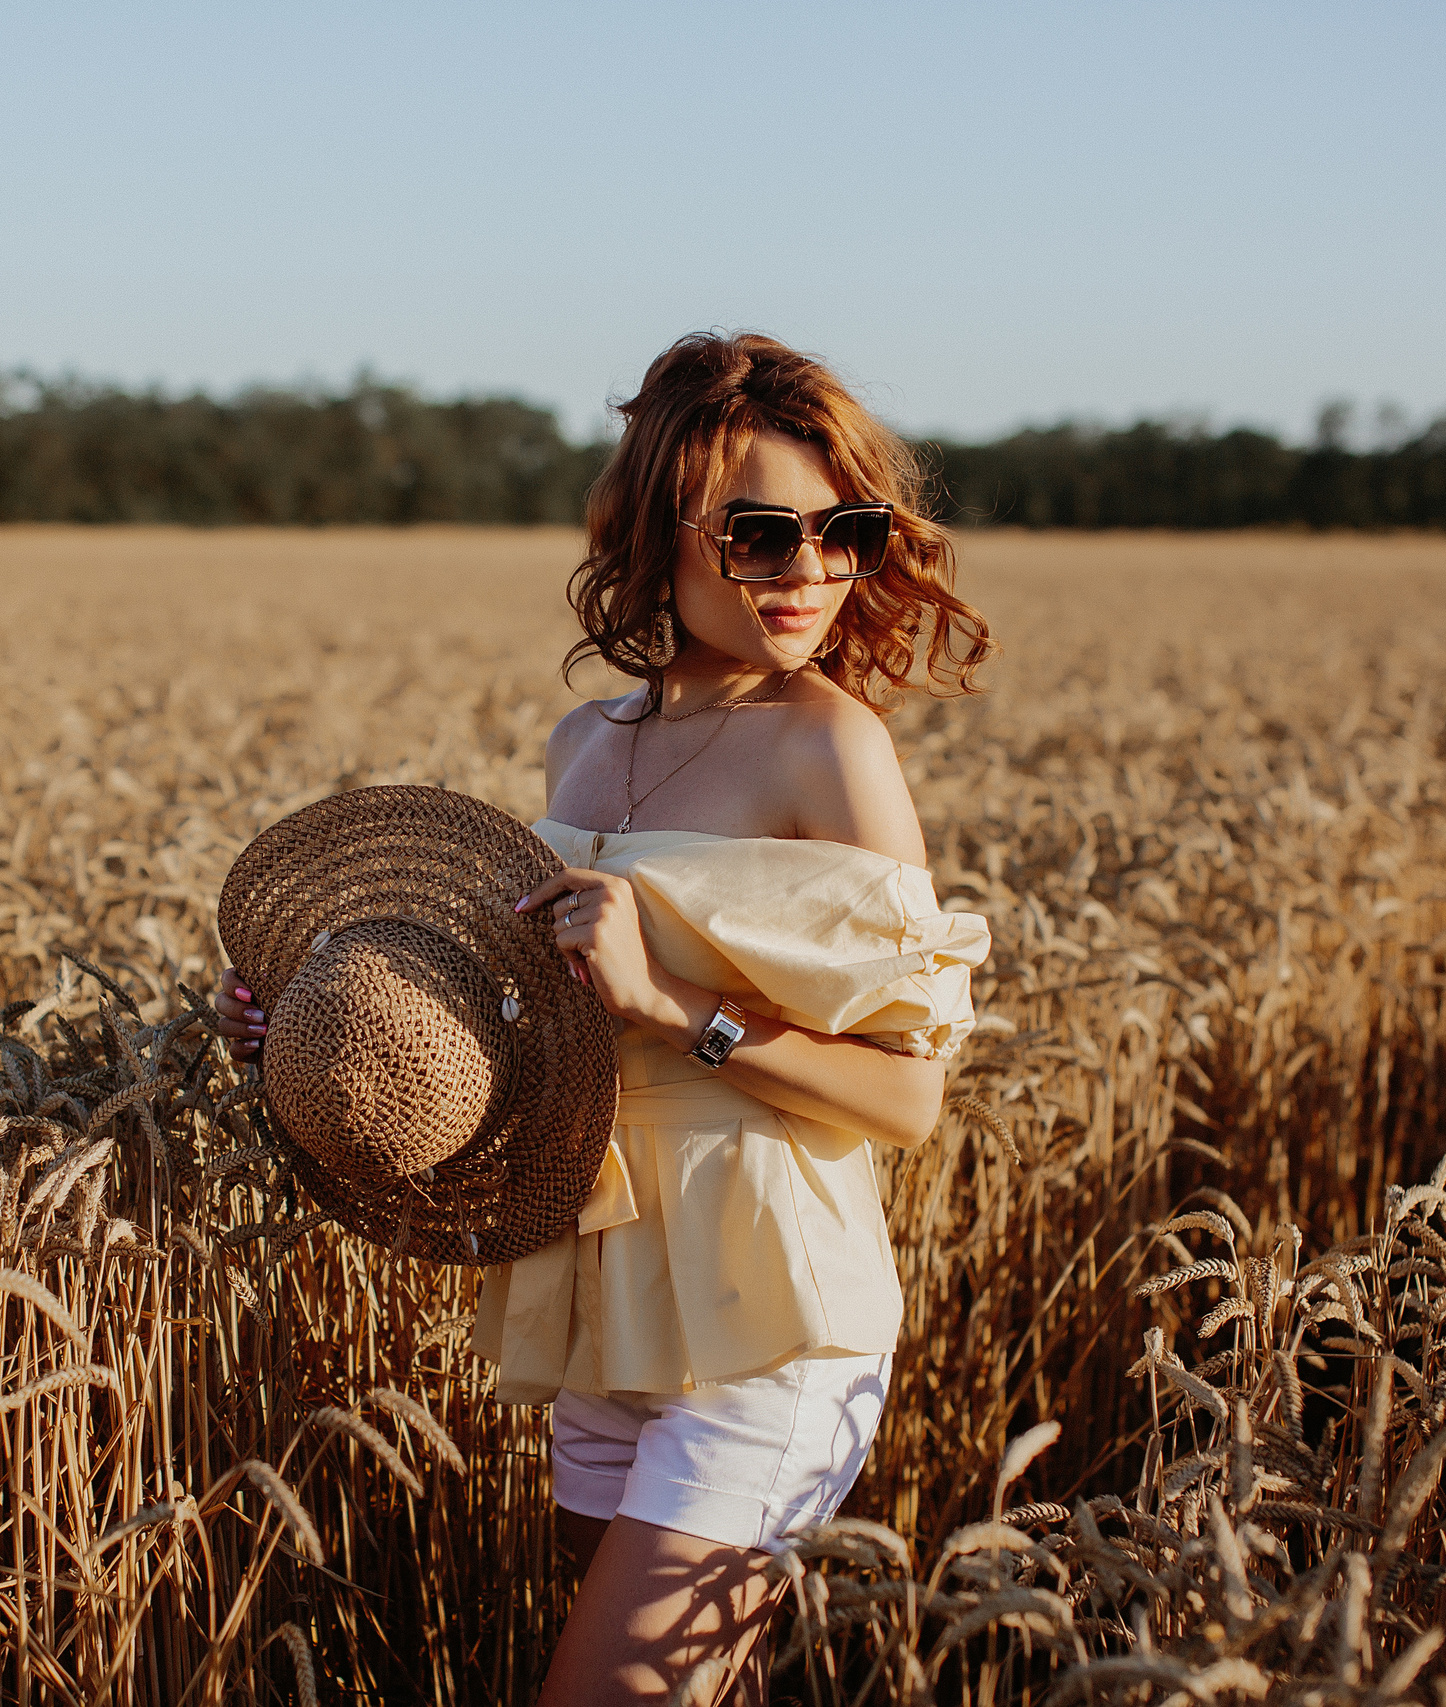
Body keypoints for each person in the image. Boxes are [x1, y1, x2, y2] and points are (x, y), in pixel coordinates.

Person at [214, 331, 994, 1704]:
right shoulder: (585, 743)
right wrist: (322, 1033)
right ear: (659, 532)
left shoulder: (831, 747)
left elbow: (908, 1097)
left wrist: (676, 1007)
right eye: (760, 535)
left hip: (770, 1315)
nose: (808, 571)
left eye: (845, 532)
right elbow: (537, 1027)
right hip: (597, 1292)